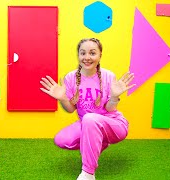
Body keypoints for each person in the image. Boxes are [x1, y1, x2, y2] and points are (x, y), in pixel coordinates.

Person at [40, 38, 135, 180]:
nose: (87, 57)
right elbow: (71, 109)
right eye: (83, 53)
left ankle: (88, 173)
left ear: (100, 55)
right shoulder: (71, 77)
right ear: (78, 55)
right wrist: (63, 98)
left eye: (92, 53)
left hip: (113, 124)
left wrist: (114, 97)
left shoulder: (108, 76)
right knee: (61, 139)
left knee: (90, 118)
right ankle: (98, 141)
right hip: (87, 124)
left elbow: (110, 108)